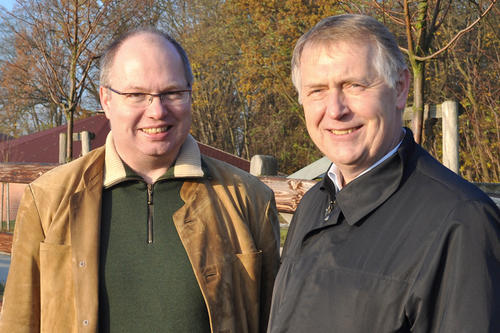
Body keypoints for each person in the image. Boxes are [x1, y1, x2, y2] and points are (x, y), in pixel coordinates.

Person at [0, 28, 280, 332]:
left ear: (190, 95)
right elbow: (19, 321)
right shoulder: (48, 199)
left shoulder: (249, 200)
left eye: (172, 93)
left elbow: (273, 320)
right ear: (106, 99)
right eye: (136, 95)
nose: (157, 111)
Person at [268, 14, 500, 333]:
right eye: (317, 90)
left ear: (400, 88)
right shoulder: (312, 206)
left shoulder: (461, 222)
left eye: (354, 85)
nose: (335, 109)